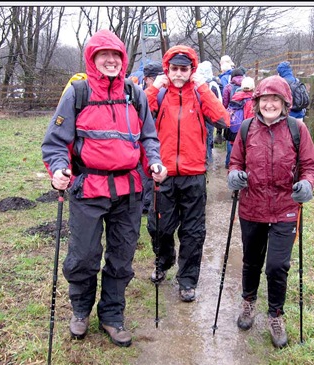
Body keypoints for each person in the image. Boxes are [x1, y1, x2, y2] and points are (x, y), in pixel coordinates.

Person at [41, 29, 167, 347]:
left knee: (121, 257)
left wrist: (153, 160)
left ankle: (112, 315)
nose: (110, 60)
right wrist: (58, 169)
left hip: (129, 189)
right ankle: (81, 311)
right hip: (88, 187)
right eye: (103, 55)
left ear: (123, 60)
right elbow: (56, 142)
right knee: (83, 256)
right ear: (93, 59)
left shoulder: (134, 94)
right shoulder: (78, 93)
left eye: (116, 56)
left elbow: (149, 136)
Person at [227, 75, 314, 348]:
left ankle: (276, 314)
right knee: (251, 261)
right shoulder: (246, 129)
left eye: (275, 99)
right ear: (257, 102)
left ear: (285, 103)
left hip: (285, 208)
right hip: (252, 207)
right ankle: (248, 301)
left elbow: (310, 166)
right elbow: (234, 162)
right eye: (265, 99)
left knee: (278, 266)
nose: (270, 104)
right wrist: (234, 176)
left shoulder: (297, 130)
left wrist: (306, 184)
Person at [144, 45, 230, 302]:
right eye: (174, 69)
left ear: (191, 70)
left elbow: (223, 119)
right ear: (167, 70)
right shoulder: (159, 95)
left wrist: (203, 87)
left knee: (193, 232)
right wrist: (154, 88)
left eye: (184, 69)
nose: (179, 74)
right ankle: (165, 259)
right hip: (163, 174)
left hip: (193, 175)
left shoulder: (199, 94)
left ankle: (187, 280)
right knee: (158, 226)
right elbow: (136, 115)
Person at [139, 60, 164, 214]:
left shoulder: (162, 94)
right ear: (146, 78)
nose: (157, 81)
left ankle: (149, 205)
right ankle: (144, 205)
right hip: (141, 142)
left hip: (156, 142)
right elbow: (141, 109)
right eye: (153, 78)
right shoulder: (139, 93)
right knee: (143, 175)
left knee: (152, 174)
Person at [196, 60, 222, 166]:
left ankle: (208, 157)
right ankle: (206, 157)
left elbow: (217, 102)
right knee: (205, 136)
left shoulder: (212, 85)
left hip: (208, 115)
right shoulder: (200, 84)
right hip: (202, 115)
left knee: (208, 136)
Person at [223, 67, 245, 168]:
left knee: (230, 140)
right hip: (244, 116)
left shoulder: (228, 87)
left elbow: (225, 103)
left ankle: (229, 163)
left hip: (232, 116)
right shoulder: (247, 85)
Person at [214, 55, 235, 144]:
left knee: (226, 121)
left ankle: (221, 138)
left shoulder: (224, 77)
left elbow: (224, 91)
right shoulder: (236, 73)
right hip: (236, 103)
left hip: (228, 103)